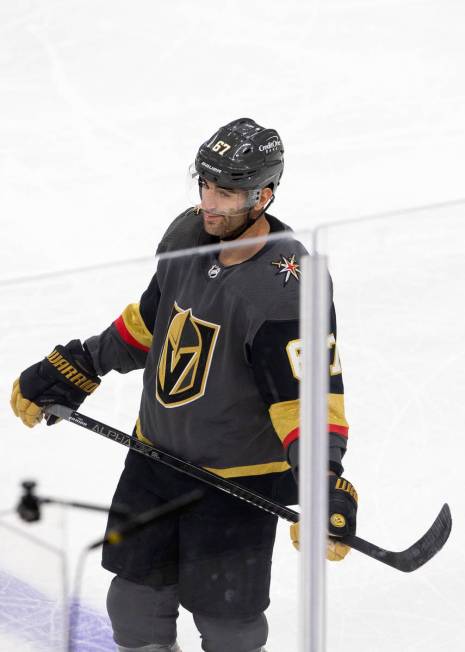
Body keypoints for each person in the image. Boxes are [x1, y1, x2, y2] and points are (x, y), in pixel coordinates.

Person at [10, 118, 358, 652]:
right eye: (206, 185)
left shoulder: (286, 286)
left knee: (229, 628)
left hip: (235, 485)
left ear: (263, 195)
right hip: (153, 461)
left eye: (227, 192)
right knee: (133, 607)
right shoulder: (186, 235)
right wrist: (84, 363)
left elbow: (307, 396)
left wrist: (322, 478)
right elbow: (152, 322)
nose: (211, 203)